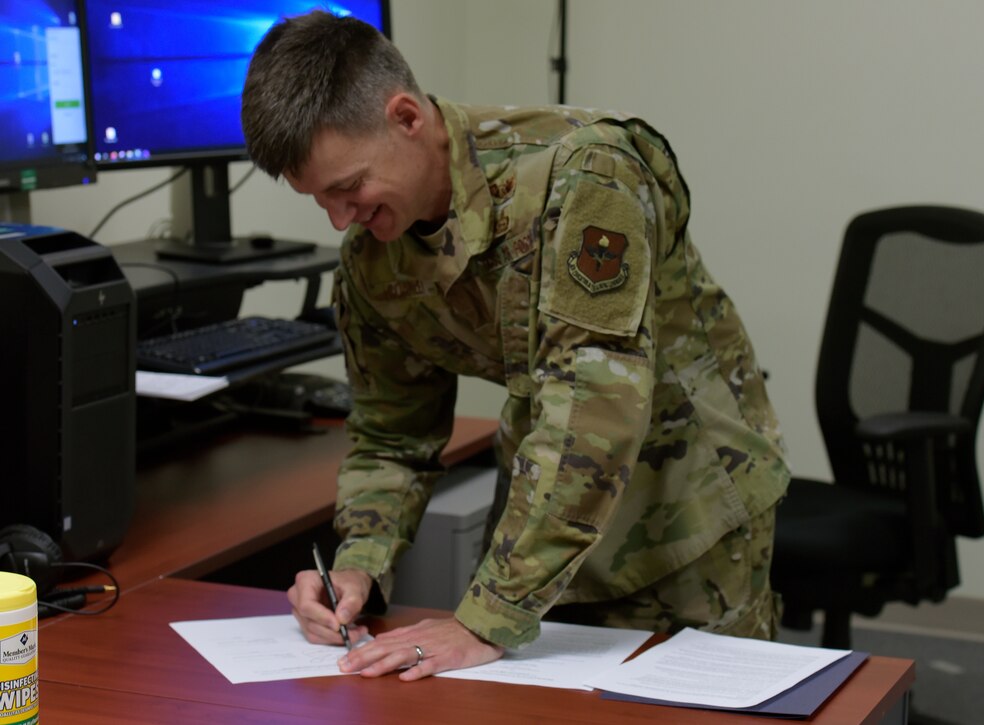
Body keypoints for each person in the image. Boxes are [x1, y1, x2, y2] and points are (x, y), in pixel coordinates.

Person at [241, 10, 790, 682]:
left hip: (683, 512)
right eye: (318, 199)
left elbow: (593, 411)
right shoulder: (373, 261)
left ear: (407, 118)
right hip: (547, 508)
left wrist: (488, 617)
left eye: (349, 187)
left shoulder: (585, 175)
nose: (340, 219)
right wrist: (360, 560)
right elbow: (391, 435)